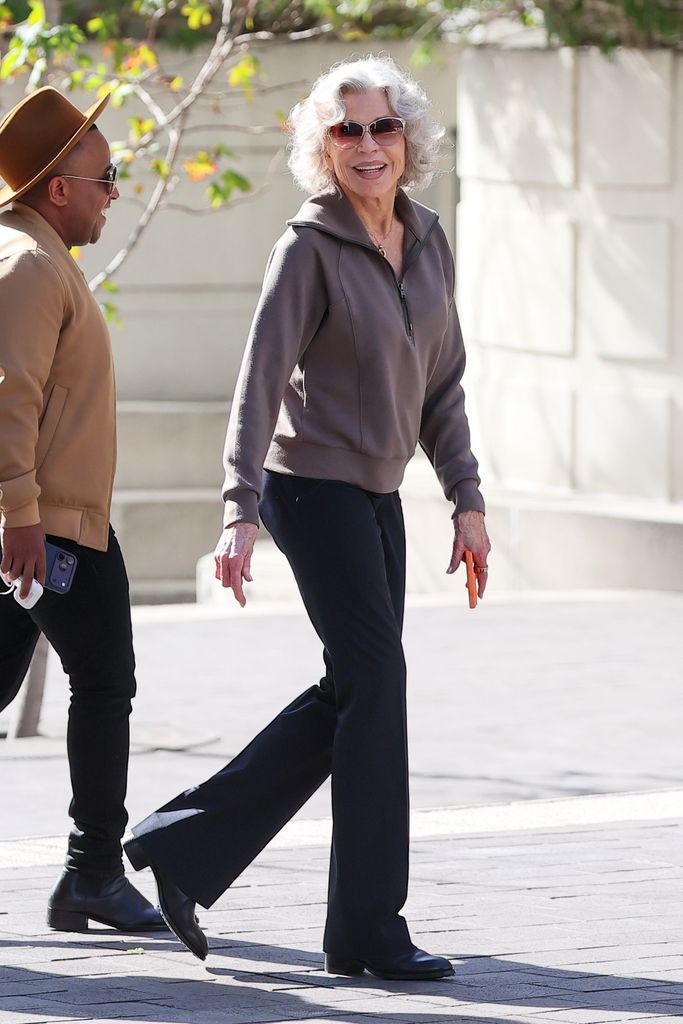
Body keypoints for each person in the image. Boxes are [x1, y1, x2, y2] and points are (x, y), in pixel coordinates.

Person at [125, 54, 491, 979]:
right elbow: (255, 383)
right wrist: (238, 509)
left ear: (407, 139)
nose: (367, 145)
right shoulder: (306, 246)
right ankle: (368, 929)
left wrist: (466, 497)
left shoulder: (430, 237)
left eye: (382, 127)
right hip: (306, 486)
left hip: (377, 492)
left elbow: (441, 384)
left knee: (357, 692)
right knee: (377, 683)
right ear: (322, 149)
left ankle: (181, 845)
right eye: (346, 130)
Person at [0, 87, 165, 934]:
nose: (114, 192)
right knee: (105, 684)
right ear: (57, 187)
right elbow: (9, 395)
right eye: (106, 178)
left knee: (88, 684)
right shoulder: (27, 265)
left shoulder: (38, 256)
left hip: (56, 524)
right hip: (49, 531)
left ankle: (91, 873)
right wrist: (20, 515)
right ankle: (92, 874)